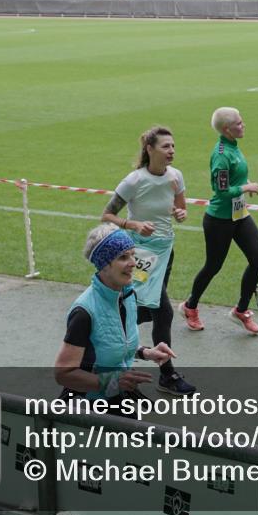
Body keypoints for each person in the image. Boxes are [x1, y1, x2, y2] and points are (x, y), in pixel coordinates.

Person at [101, 125, 195, 396]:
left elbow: (181, 209)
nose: (172, 151)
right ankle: (165, 374)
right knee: (159, 311)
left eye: (173, 146)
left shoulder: (175, 176)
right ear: (150, 149)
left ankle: (114, 357)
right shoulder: (134, 180)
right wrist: (134, 224)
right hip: (139, 255)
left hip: (165, 252)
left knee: (143, 310)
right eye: (166, 146)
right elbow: (107, 215)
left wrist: (180, 214)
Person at [54, 224, 177, 413]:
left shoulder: (127, 295)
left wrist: (146, 352)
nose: (133, 263)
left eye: (132, 255)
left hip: (118, 394)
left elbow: (111, 342)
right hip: (88, 404)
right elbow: (64, 374)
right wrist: (111, 381)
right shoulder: (84, 312)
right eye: (123, 257)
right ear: (104, 265)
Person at [179, 107, 258, 335]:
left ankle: (241, 310)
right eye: (238, 123)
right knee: (213, 266)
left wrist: (245, 182)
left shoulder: (233, 147)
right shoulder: (221, 154)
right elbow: (221, 190)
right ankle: (190, 307)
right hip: (219, 220)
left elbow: (235, 177)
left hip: (239, 215)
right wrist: (246, 187)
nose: (243, 124)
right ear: (227, 129)